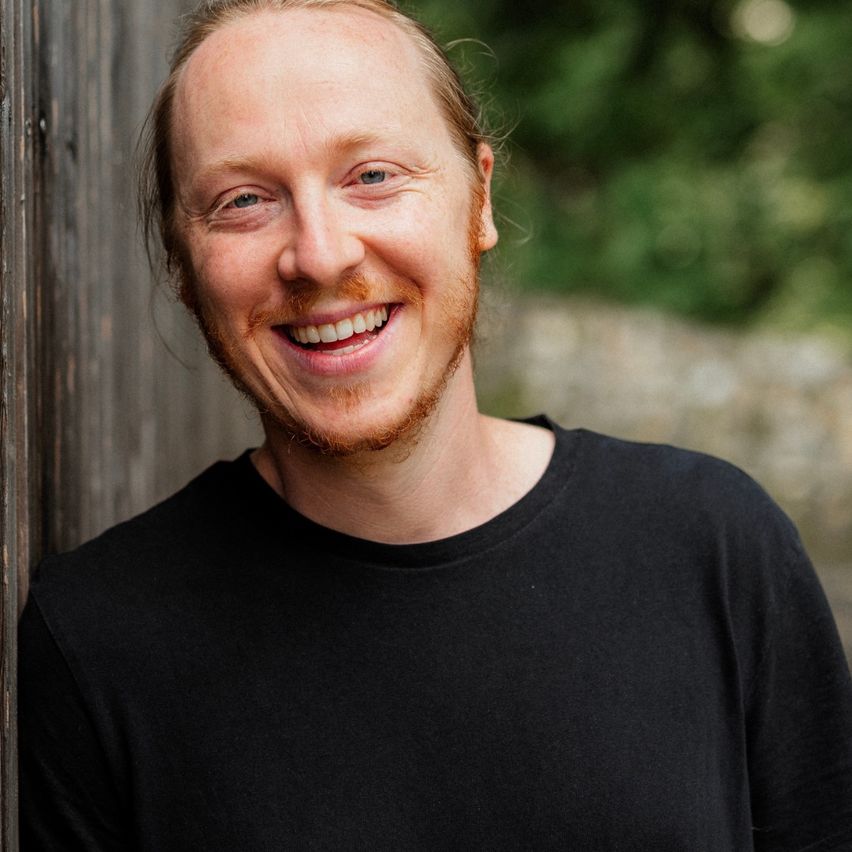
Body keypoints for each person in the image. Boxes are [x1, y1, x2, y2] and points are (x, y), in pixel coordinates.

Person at [18, 0, 852, 848]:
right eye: (243, 200)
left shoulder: (714, 546)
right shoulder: (97, 641)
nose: (321, 254)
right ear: (182, 266)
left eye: (373, 176)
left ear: (479, 197)